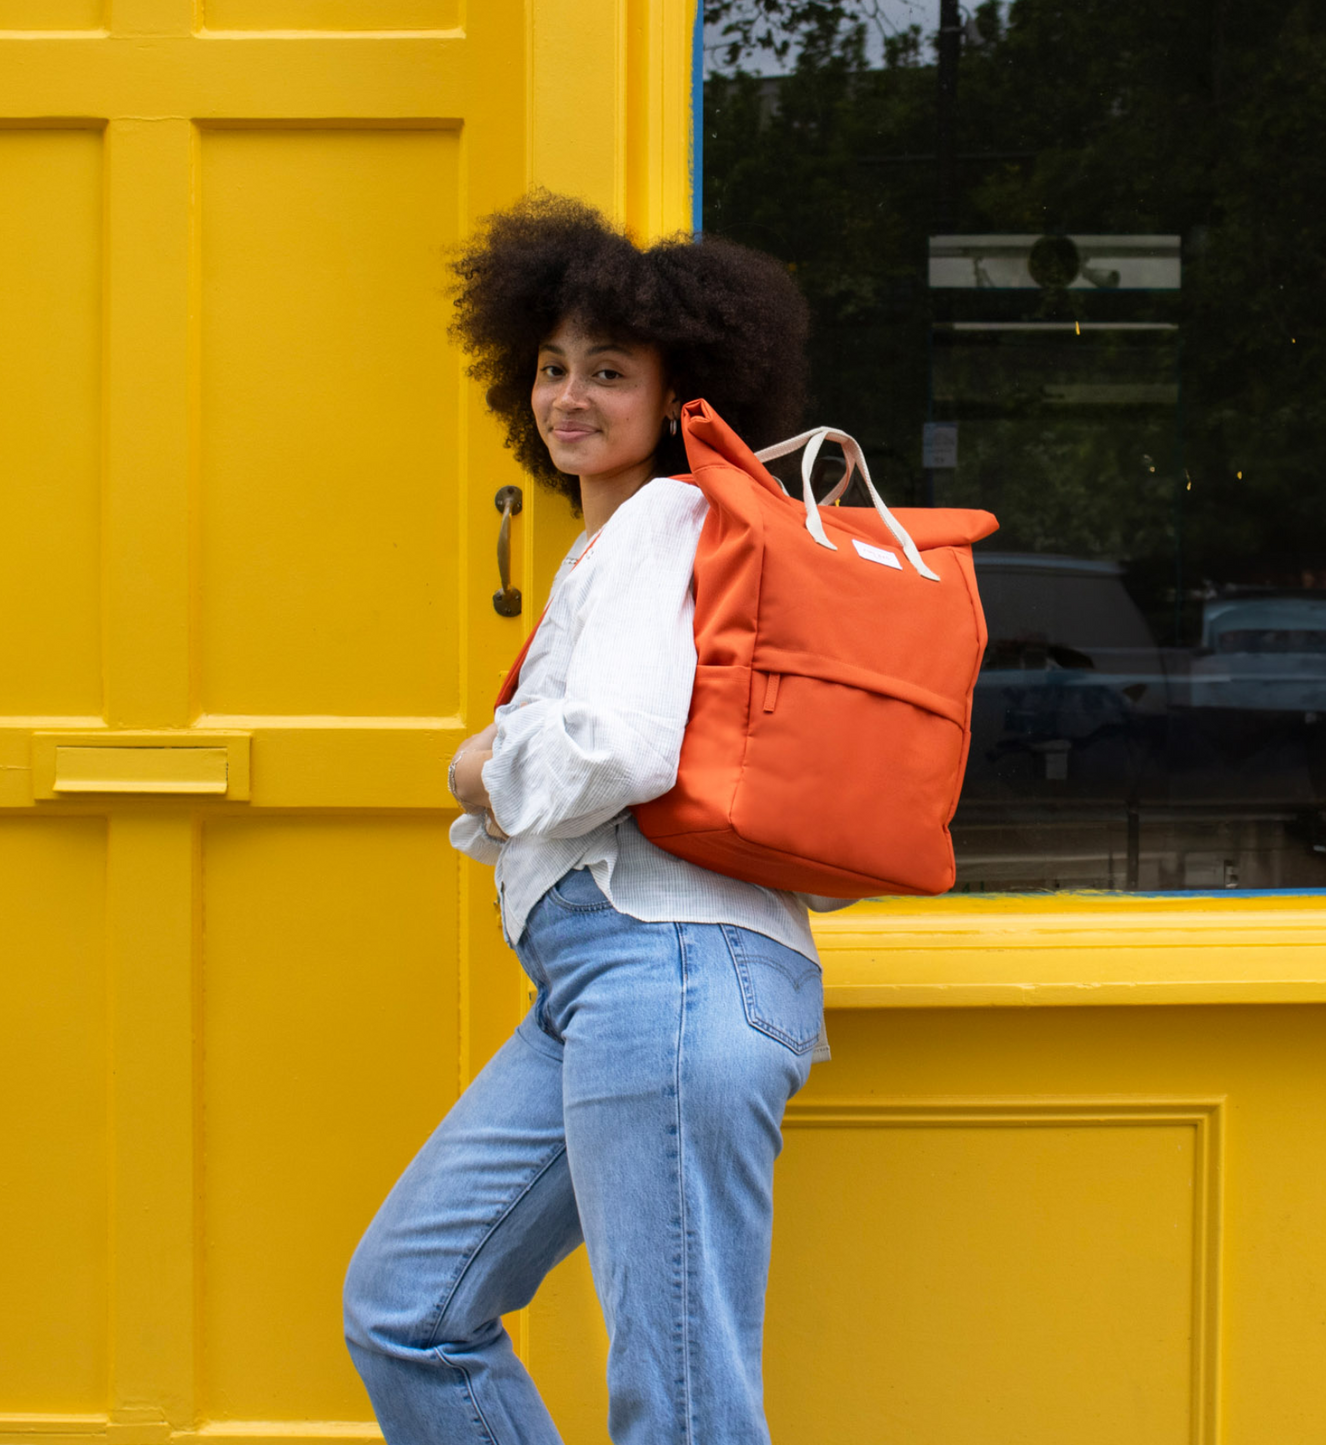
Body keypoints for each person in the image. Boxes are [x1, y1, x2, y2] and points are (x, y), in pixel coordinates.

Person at [342, 192, 846, 1445]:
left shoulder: (663, 521)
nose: (568, 395)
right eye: (552, 367)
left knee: (679, 1406)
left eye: (607, 372)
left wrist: (479, 768)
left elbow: (611, 745)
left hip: (664, 973)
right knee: (408, 1303)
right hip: (608, 983)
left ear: (682, 399)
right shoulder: (614, 542)